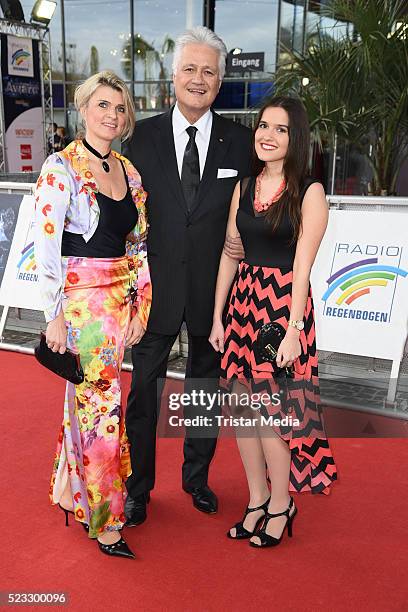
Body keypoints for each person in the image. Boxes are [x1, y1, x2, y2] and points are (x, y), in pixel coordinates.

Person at [123, 26, 252, 524]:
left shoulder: (241, 143)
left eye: (209, 72)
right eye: (190, 69)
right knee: (142, 397)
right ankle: (139, 488)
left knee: (204, 392)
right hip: (153, 293)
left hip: (213, 295)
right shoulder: (139, 139)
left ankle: (196, 480)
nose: (199, 79)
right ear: (173, 76)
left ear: (220, 84)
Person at [209, 96, 337, 548]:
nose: (268, 135)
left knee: (270, 414)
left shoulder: (310, 192)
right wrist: (217, 317)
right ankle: (257, 499)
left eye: (280, 129)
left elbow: (302, 268)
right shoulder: (244, 187)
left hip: (279, 312)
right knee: (242, 412)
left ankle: (282, 504)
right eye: (264, 126)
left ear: (295, 137)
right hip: (243, 308)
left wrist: (292, 330)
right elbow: (230, 251)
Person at [34, 70, 151, 559]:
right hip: (82, 305)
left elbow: (140, 244)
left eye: (120, 108)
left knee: (91, 406)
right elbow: (45, 246)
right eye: (103, 105)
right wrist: (53, 315)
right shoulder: (61, 168)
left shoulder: (130, 171)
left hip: (121, 301)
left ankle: (75, 494)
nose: (112, 115)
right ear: (83, 109)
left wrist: (142, 303)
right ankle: (105, 521)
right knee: (101, 408)